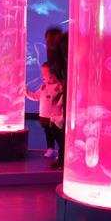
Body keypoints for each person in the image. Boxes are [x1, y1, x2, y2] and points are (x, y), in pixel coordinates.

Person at [26, 63, 63, 159]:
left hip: (56, 117)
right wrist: (26, 92)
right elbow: (35, 96)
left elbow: (61, 102)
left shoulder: (59, 87)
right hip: (44, 116)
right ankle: (50, 148)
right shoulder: (43, 87)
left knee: (57, 133)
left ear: (53, 74)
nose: (43, 76)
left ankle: (62, 151)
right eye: (43, 74)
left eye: (45, 74)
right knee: (48, 133)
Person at [45, 29, 69, 169]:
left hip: (71, 88)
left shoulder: (58, 49)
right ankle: (64, 159)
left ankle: (63, 160)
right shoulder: (66, 43)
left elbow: (58, 70)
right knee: (66, 125)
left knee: (66, 125)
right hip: (71, 87)